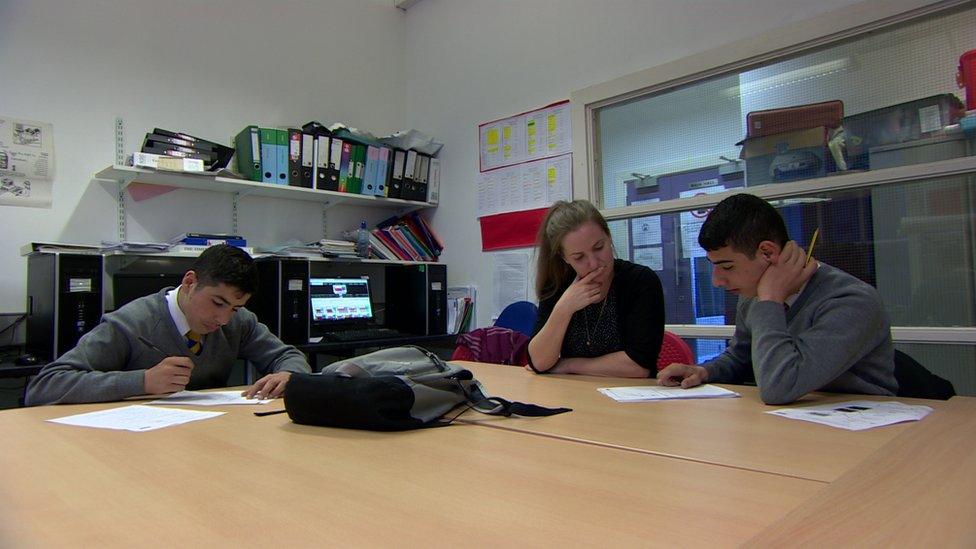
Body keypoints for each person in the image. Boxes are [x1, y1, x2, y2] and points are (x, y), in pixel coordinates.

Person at [658, 194, 897, 404]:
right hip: (792, 421)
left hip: (862, 426)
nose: (717, 281)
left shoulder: (851, 301)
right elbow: (741, 357)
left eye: (727, 267)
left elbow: (780, 387)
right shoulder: (755, 293)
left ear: (767, 252)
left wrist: (771, 299)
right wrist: (703, 371)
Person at [26, 244, 311, 405]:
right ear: (190, 282)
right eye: (218, 303)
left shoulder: (238, 322)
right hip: (134, 448)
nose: (223, 319)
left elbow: (288, 356)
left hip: (210, 440)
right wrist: (143, 381)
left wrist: (288, 374)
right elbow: (44, 387)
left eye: (235, 308)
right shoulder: (132, 323)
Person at [527, 199, 665, 377]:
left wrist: (569, 365)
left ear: (609, 237)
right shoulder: (558, 285)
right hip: (576, 393)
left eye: (599, 247)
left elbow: (639, 366)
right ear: (565, 258)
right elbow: (538, 362)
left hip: (631, 395)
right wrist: (563, 309)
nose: (593, 263)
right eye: (579, 257)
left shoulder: (641, 281)